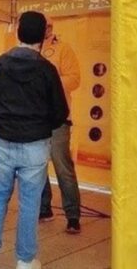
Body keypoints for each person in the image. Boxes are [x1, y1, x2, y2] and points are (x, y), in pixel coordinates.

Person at [0, 11, 68, 269]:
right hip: (35, 146)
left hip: (3, 143)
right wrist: (41, 126)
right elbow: (60, 112)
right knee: (30, 203)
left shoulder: (0, 64)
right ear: (42, 37)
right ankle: (25, 261)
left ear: (18, 33)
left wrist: (2, 122)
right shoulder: (47, 70)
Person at [39, 20, 82, 234]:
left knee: (63, 168)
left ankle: (73, 215)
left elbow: (75, 79)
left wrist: (50, 80)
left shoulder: (63, 48)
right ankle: (43, 208)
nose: (46, 29)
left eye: (48, 26)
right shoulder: (30, 47)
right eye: (42, 26)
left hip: (58, 119)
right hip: (36, 119)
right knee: (37, 166)